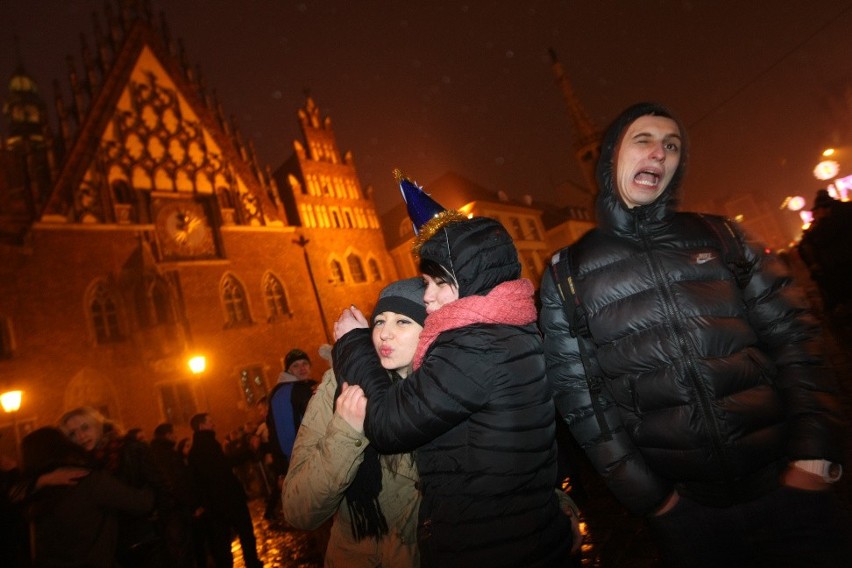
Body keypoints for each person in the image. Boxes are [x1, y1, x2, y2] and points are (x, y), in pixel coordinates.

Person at [539, 102, 847, 568]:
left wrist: (814, 453)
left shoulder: (720, 235)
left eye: (671, 145)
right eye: (642, 140)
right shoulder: (568, 272)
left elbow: (796, 339)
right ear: (608, 159)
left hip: (789, 487)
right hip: (687, 514)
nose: (659, 153)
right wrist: (651, 498)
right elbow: (581, 397)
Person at [332, 173, 577, 567]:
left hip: (490, 547)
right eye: (426, 281)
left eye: (439, 283)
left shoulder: (475, 346)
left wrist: (353, 344)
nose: (427, 296)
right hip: (525, 535)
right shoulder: (510, 328)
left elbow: (388, 423)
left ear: (471, 280)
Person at [282, 278, 426, 567]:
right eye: (380, 321)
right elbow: (298, 509)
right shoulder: (338, 386)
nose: (385, 333)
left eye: (403, 322)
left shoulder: (443, 386)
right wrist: (346, 433)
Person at [21, 427, 154, 567]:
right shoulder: (87, 481)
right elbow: (142, 503)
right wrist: (150, 476)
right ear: (64, 446)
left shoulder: (31, 495)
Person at [60, 406, 170, 567]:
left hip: (145, 541)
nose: (81, 436)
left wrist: (164, 527)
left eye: (85, 427)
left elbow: (160, 486)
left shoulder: (130, 449)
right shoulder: (80, 466)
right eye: (72, 433)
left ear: (98, 425)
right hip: (111, 549)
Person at [187, 413, 263, 568]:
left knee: (222, 543)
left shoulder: (195, 451)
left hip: (214, 504)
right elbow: (224, 465)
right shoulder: (208, 445)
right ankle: (252, 562)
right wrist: (248, 452)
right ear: (201, 426)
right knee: (245, 534)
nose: (213, 424)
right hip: (229, 499)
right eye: (210, 422)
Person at [264, 348, 318, 520]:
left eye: (304, 364)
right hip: (309, 461)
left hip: (294, 464)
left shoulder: (279, 392)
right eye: (296, 366)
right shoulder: (297, 390)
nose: (302, 368)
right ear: (288, 370)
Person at [797, 188, 852, 324]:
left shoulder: (832, 219)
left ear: (822, 208)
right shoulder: (847, 208)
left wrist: (815, 228)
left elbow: (820, 238)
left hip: (845, 261)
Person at [149, 423, 200, 568]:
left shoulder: (156, 453)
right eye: (173, 433)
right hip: (175, 510)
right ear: (167, 435)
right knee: (182, 551)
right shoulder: (167, 455)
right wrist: (190, 504)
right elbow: (177, 482)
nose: (176, 436)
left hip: (170, 509)